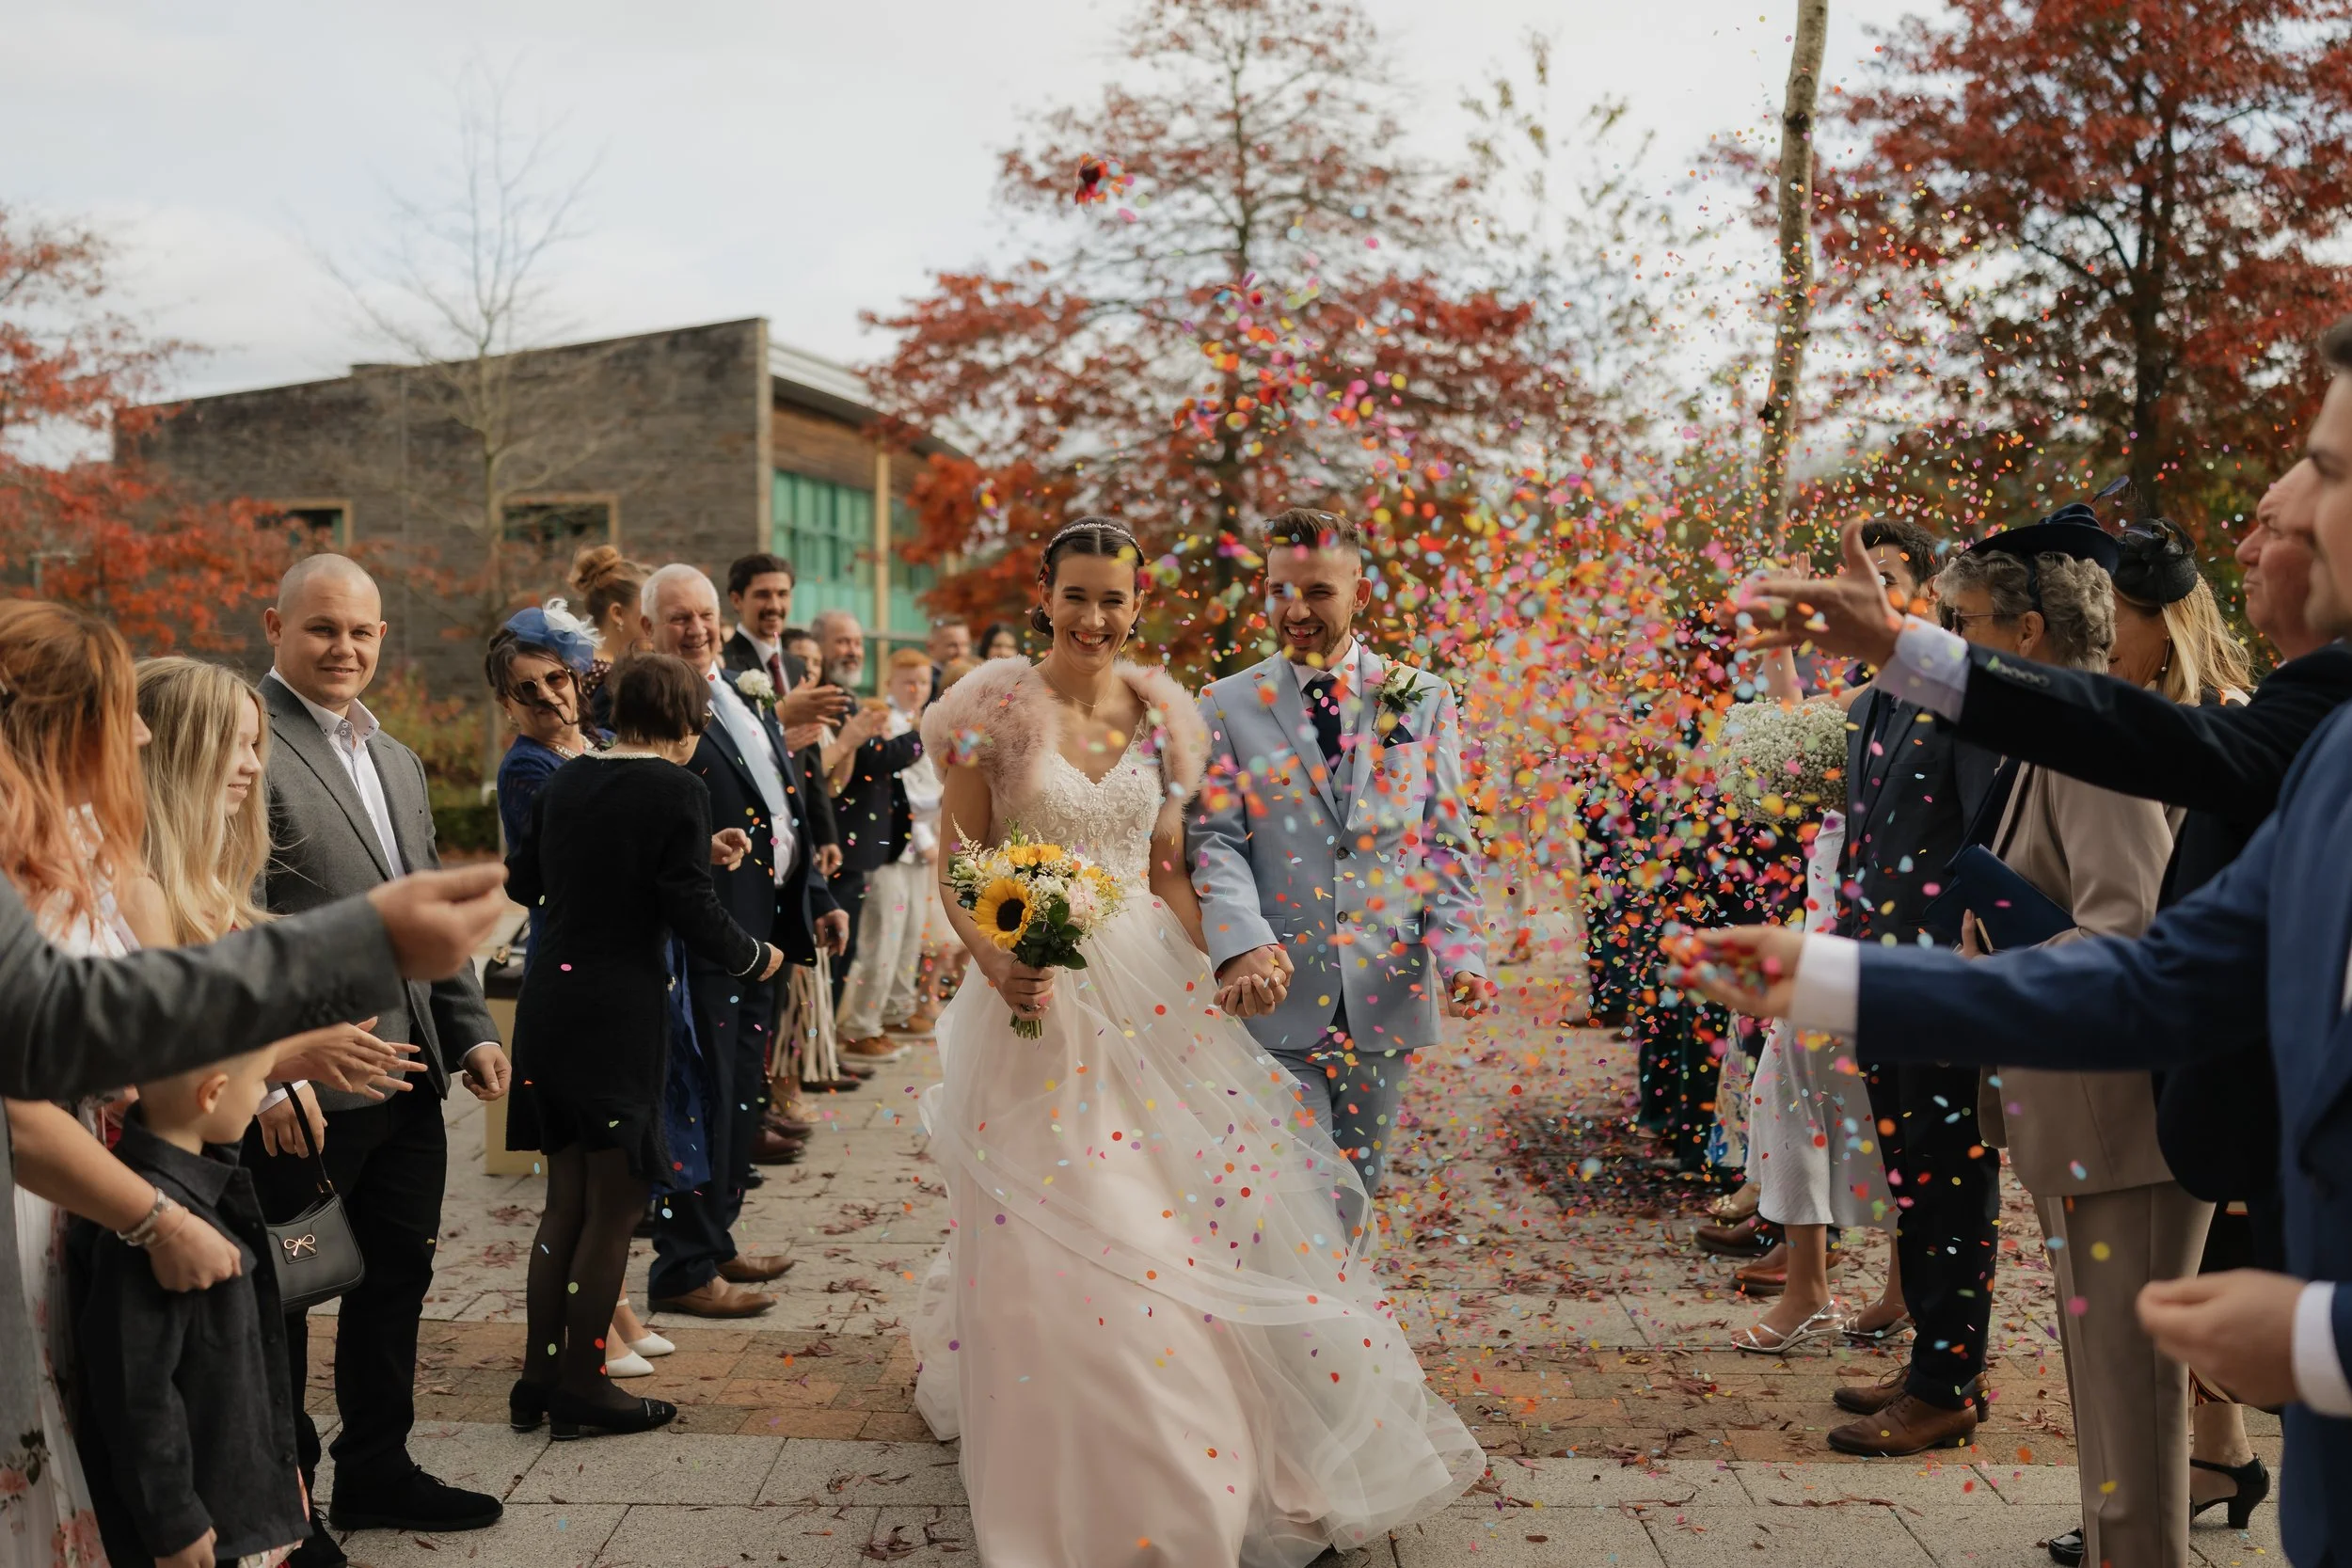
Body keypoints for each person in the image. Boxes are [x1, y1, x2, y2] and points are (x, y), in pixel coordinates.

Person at [1681, 315, 2352, 1568]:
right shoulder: (2326, 727)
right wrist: (1827, 975)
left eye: (2325, 468)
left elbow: (2145, 877)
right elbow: (2174, 968)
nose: (2285, 519)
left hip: (2144, 1139)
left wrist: (2322, 1337)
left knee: (2129, 1408)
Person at [911, 516, 1481, 1566]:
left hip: (1152, 988)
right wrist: (1001, 956)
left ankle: (1220, 1435)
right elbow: (961, 858)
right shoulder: (989, 709)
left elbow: (1172, 862)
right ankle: (1084, 1439)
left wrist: (1216, 962)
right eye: (1074, 594)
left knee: (1193, 1218)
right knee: (1071, 1215)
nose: (1093, 616)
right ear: (1044, 593)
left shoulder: (1164, 709)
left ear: (1139, 606)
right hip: (1037, 989)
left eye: (1113, 599)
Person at [248, 554, 512, 1553]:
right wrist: (269, 1071)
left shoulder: (396, 758)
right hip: (303, 1092)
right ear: (275, 624)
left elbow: (427, 909)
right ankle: (287, 1503)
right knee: (286, 1295)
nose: (343, 648)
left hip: (408, 1081)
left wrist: (474, 1029)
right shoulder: (248, 745)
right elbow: (226, 926)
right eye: (322, 628)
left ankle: (377, 1468)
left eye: (360, 631)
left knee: (395, 1274)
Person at [505, 654, 785, 1436]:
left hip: (550, 1004)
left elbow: (523, 881)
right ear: (686, 721)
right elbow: (690, 910)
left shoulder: (566, 779)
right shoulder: (678, 786)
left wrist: (679, 859)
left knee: (566, 1200)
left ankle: (538, 1377)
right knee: (619, 1204)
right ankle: (585, 1385)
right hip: (617, 1012)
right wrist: (755, 955)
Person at [1192, 508, 1496, 1199]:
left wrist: (1460, 955)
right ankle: (1307, 1308)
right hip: (1275, 990)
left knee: (1356, 1187)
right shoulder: (1225, 702)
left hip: (1383, 992)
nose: (1294, 610)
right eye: (1278, 590)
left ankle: (1332, 1310)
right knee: (1298, 1191)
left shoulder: (1422, 697)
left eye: (1317, 592)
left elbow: (1445, 839)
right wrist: (1240, 944)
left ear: (1359, 594)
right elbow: (1213, 840)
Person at [639, 566, 847, 1319]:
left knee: (742, 1097)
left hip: (763, 927)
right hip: (706, 935)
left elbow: (779, 795)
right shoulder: (648, 706)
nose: (695, 630)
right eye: (676, 619)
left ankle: (717, 1240)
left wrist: (815, 895)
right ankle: (683, 1265)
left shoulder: (741, 686)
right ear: (647, 630)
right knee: (704, 1097)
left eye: (702, 616)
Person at [69, 1046, 307, 1568]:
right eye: (259, 1082)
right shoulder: (150, 1229)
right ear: (213, 1093)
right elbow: (137, 1390)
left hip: (222, 1489)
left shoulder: (206, 1183)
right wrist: (175, 1522)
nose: (259, 1099)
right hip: (191, 1515)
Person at [811, 610, 923, 1015]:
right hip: (835, 844)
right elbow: (872, 759)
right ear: (819, 646)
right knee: (837, 953)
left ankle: (827, 1056)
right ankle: (822, 1053)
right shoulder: (824, 701)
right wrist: (924, 734)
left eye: (857, 642)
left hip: (859, 847)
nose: (853, 651)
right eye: (843, 642)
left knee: (849, 949)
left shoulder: (848, 698)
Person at [834, 649, 941, 1060]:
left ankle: (894, 1010)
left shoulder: (923, 722)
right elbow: (901, 788)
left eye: (923, 683)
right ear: (890, 684)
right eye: (908, 683)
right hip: (888, 845)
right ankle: (862, 1024)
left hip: (917, 843)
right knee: (883, 938)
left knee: (910, 933)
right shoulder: (882, 720)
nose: (917, 690)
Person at [568, 546, 650, 731]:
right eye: (647, 613)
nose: (654, 624)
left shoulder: (578, 668)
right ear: (618, 614)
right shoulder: (613, 683)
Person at [925, 618, 971, 701]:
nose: (960, 651)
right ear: (931, 647)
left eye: (964, 644)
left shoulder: (974, 676)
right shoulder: (926, 682)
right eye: (952, 645)